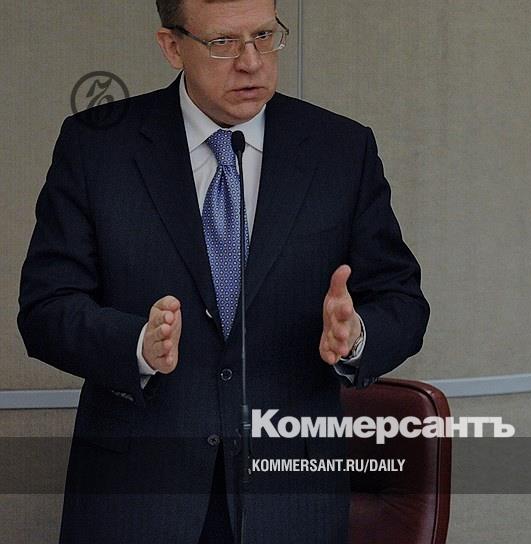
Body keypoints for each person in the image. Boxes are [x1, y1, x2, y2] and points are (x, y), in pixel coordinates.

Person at [17, 1, 429, 542]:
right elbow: (46, 308)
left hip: (291, 498)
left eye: (264, 35)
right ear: (172, 46)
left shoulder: (341, 149)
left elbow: (403, 301)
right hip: (137, 497)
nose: (251, 61)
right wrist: (137, 345)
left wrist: (356, 338)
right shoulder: (96, 146)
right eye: (223, 43)